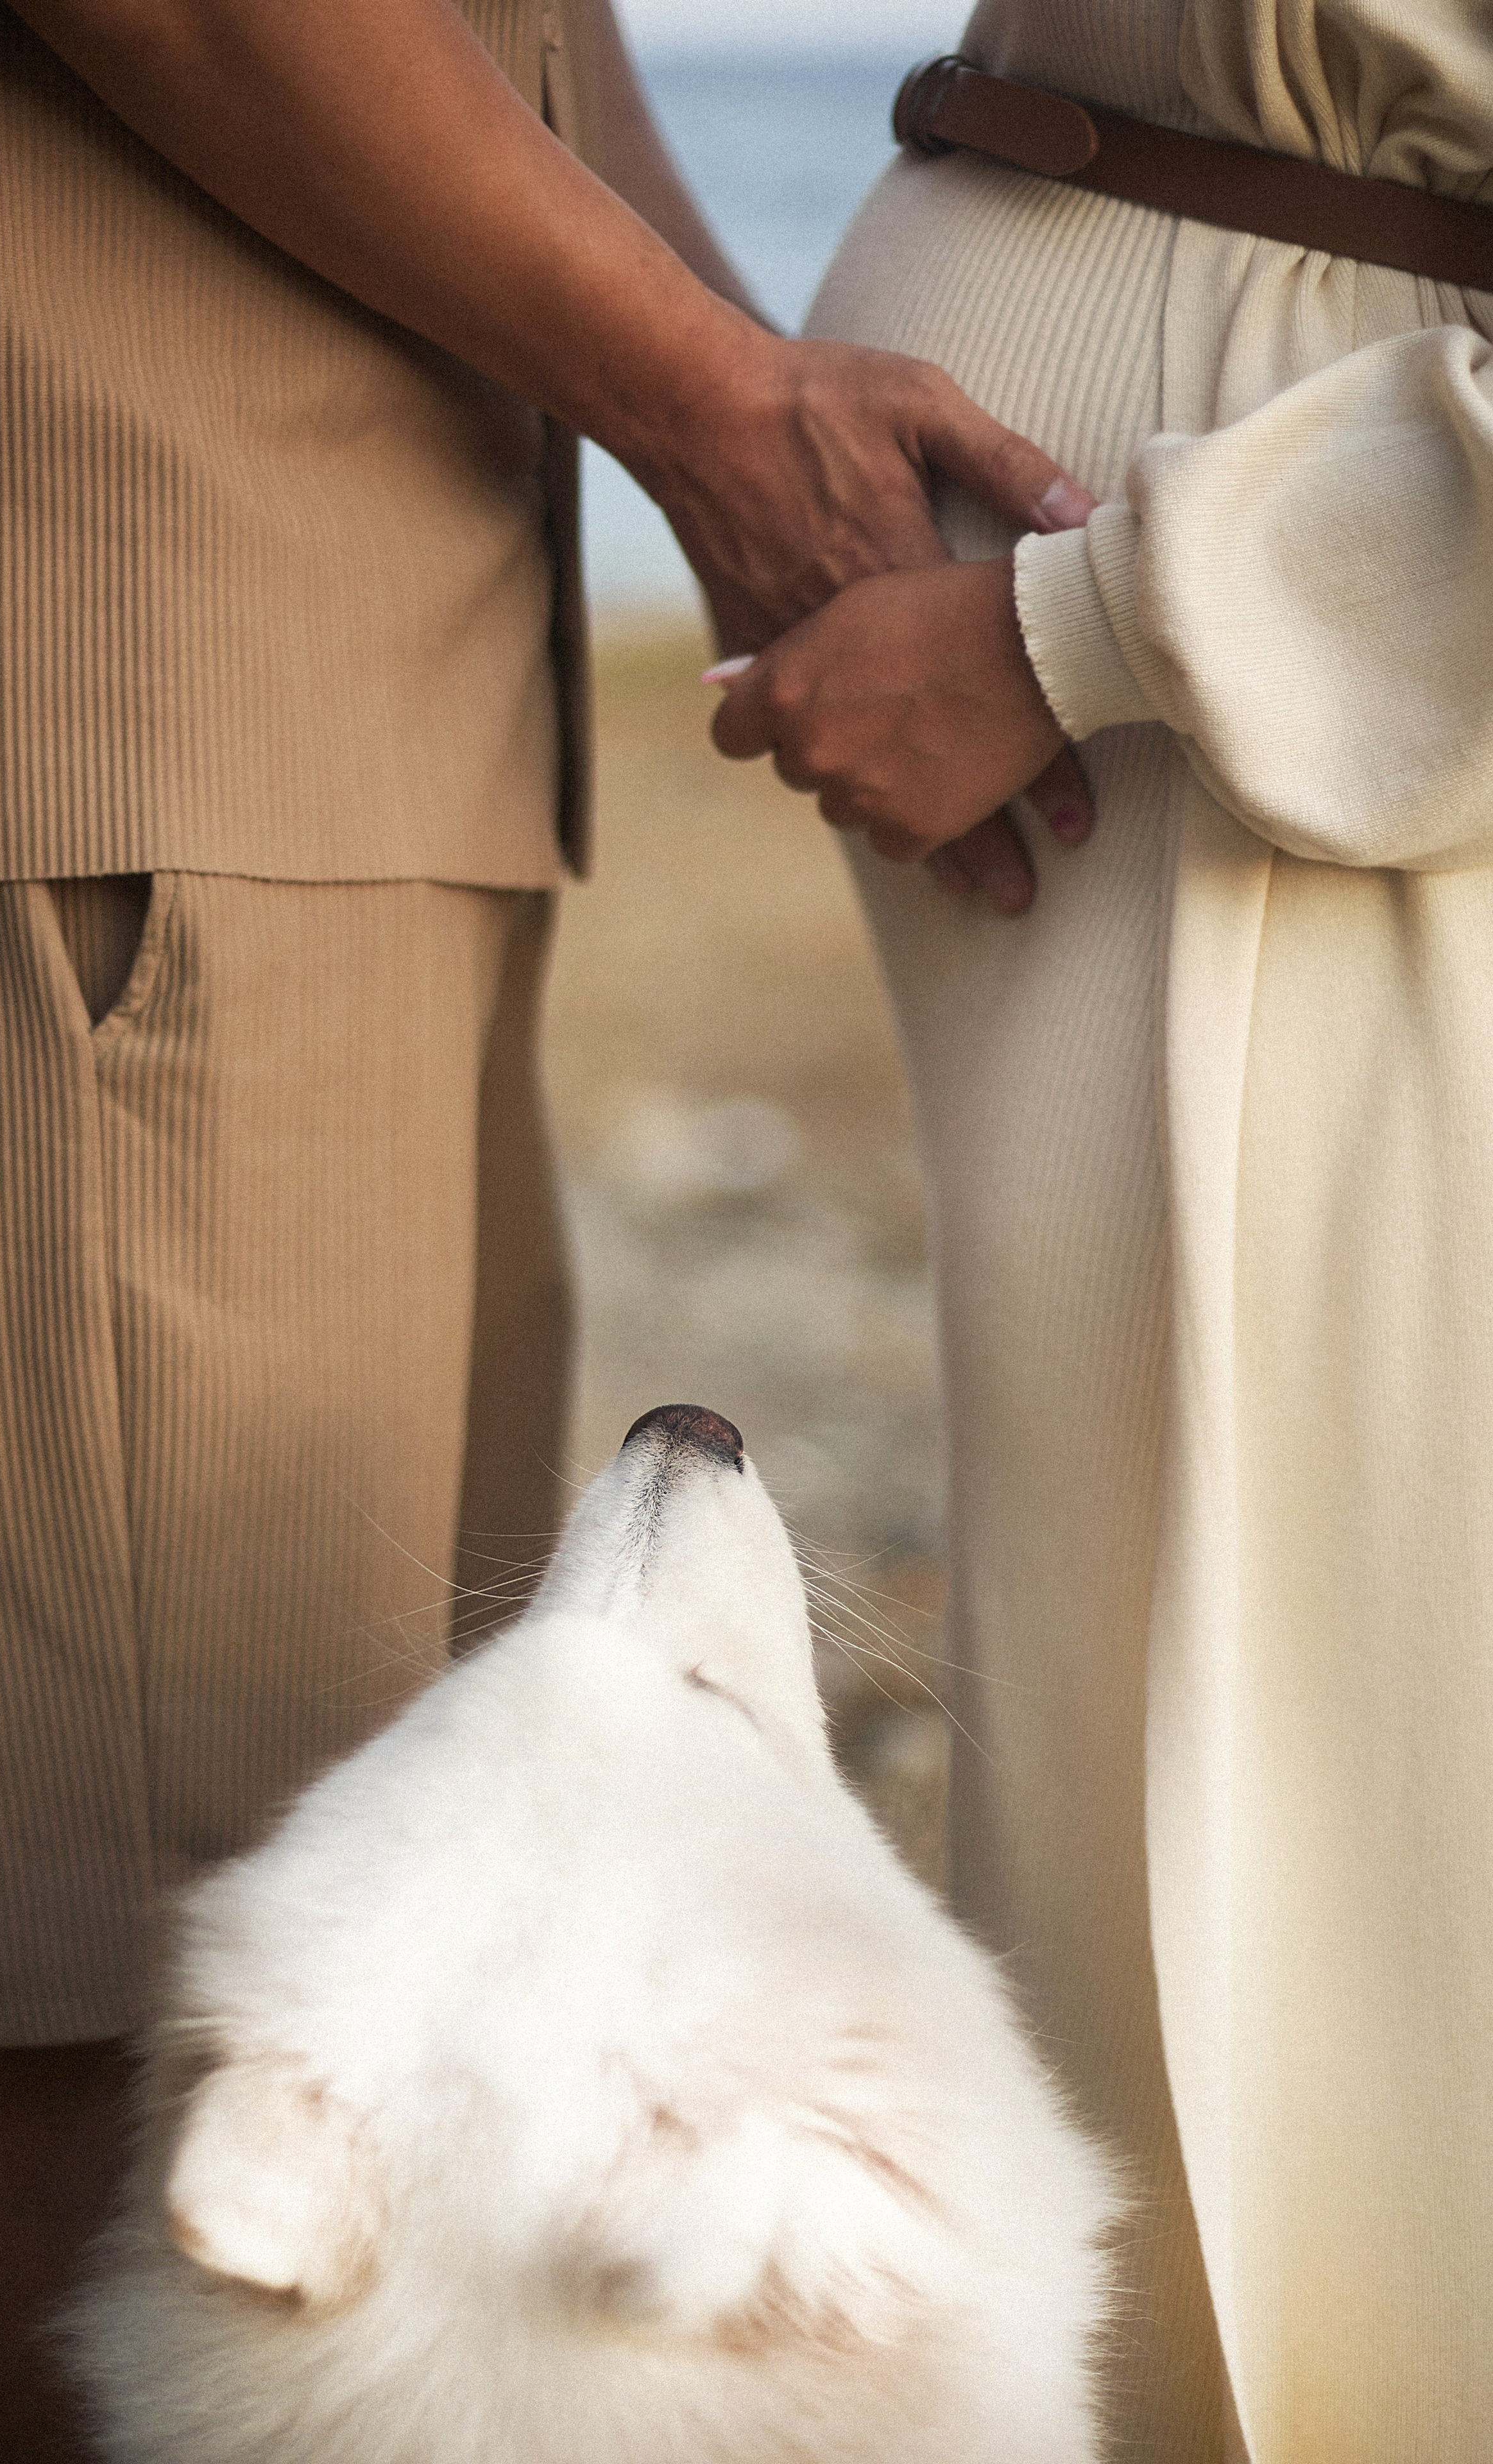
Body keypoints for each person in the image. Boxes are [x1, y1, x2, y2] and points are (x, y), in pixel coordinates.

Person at [0, 3, 1100, 2457]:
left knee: (365, 1860)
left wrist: (764, 421)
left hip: (360, 677)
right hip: (133, 675)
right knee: (133, 1978)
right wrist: (726, 415)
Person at [710, 3, 1493, 2458]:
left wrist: (1095, 631)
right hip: (1205, 677)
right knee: (1171, 1763)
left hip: (1311, 678)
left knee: (1368, 1824)